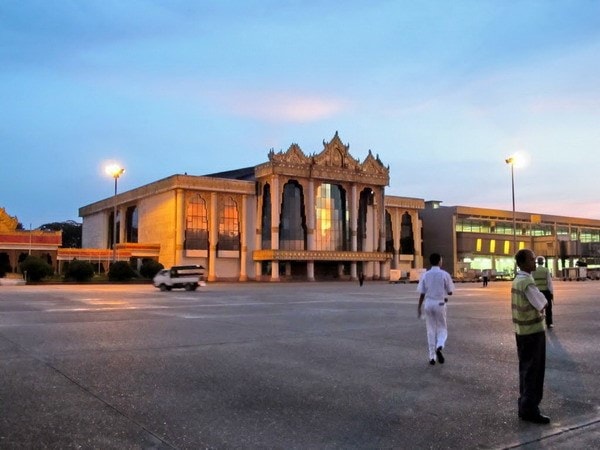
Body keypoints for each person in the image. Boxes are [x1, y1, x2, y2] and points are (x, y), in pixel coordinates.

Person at [512, 249, 550, 424]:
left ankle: (524, 405)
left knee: (525, 370)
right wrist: (544, 301)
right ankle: (530, 409)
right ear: (524, 263)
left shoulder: (517, 280)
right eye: (532, 259)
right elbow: (542, 303)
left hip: (521, 332)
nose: (534, 262)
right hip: (533, 333)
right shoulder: (527, 281)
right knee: (534, 372)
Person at [417, 253, 455, 365]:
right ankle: (440, 345)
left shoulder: (425, 275)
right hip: (440, 303)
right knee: (442, 328)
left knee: (430, 330)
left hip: (428, 304)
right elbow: (450, 292)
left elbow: (422, 293)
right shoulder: (444, 274)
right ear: (439, 261)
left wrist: (419, 307)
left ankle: (432, 357)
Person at [532, 256, 554, 328]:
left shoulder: (533, 270)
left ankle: (536, 323)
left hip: (537, 291)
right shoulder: (546, 270)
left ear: (537, 262)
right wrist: (551, 292)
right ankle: (549, 323)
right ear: (543, 262)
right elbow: (549, 282)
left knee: (536, 307)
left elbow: (531, 281)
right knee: (548, 307)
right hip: (545, 291)